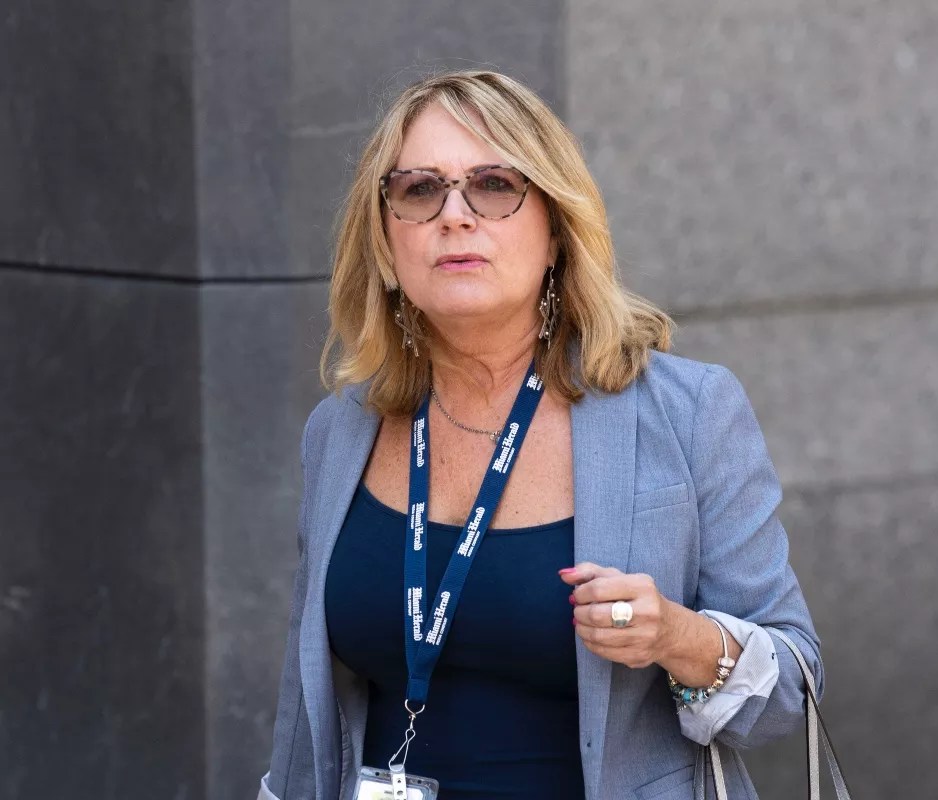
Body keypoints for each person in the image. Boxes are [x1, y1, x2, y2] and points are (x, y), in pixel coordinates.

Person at [258, 69, 824, 800]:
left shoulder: (687, 413)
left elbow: (791, 689)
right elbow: (305, 709)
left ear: (556, 230)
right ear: (386, 243)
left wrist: (676, 637)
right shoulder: (342, 430)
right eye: (420, 190)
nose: (455, 216)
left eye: (494, 185)